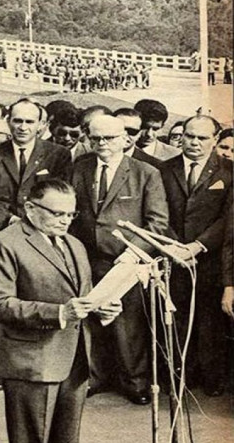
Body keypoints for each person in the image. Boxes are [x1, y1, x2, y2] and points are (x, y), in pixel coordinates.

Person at [0, 178, 121, 443]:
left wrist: (103, 308)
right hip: (31, 359)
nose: (64, 220)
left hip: (74, 356)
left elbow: (83, 298)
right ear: (30, 208)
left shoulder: (74, 244)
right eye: (56, 213)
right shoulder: (5, 243)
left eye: (70, 214)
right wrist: (59, 312)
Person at [70, 115, 169, 405]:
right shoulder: (79, 168)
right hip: (87, 257)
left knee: (129, 326)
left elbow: (158, 223)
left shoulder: (146, 173)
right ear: (88, 138)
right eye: (96, 138)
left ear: (125, 138)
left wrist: (131, 253)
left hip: (128, 261)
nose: (102, 144)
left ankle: (135, 382)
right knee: (90, 320)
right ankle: (95, 377)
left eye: (109, 138)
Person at [160, 115, 232, 396]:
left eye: (202, 138)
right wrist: (176, 247)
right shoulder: (163, 170)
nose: (194, 143)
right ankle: (179, 376)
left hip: (210, 259)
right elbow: (158, 212)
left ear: (215, 140)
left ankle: (212, 378)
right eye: (189, 136)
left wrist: (198, 246)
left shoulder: (229, 171)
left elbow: (228, 219)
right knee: (176, 318)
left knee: (209, 320)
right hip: (173, 256)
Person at [0, 98, 72, 230]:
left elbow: (60, 197)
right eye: (17, 121)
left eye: (29, 122)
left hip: (42, 228)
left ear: (40, 124)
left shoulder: (58, 154)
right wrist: (9, 219)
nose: (23, 127)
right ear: (8, 121)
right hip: (1, 227)